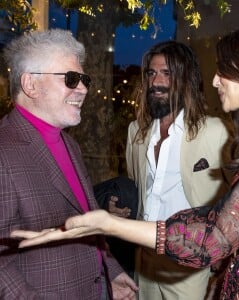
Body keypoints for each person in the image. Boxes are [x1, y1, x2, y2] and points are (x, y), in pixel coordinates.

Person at [11, 25, 239, 299]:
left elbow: (216, 234)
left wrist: (107, 225)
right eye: (151, 73)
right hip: (163, 263)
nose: (214, 80)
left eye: (223, 70)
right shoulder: (136, 134)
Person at [1, 29, 137, 299]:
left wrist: (112, 271)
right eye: (71, 79)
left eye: (83, 79)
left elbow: (87, 223)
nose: (83, 88)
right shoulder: (3, 149)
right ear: (30, 84)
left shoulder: (70, 144)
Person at [124, 41, 231, 299]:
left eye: (167, 73)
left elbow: (235, 196)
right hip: (145, 261)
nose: (156, 82)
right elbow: (137, 190)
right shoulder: (135, 133)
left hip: (190, 268)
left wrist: (223, 256)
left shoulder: (216, 131)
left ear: (186, 79)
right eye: (151, 73)